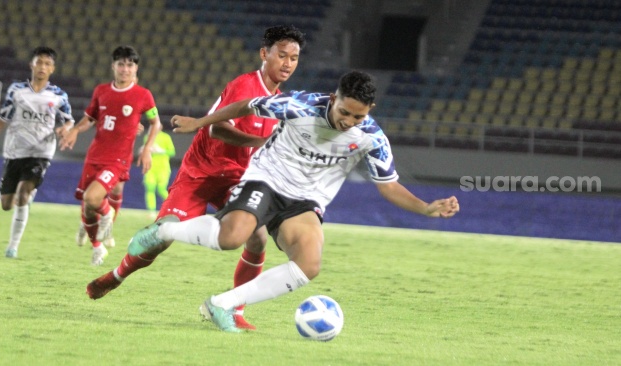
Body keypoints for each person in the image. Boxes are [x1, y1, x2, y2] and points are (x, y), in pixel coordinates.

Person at [129, 70, 460, 333]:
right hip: (267, 179)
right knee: (231, 238)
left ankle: (221, 304)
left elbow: (389, 185)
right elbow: (247, 105)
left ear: (369, 112)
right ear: (334, 99)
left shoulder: (371, 137)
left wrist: (426, 207)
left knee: (308, 265)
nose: (348, 122)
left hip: (304, 201)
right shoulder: (298, 105)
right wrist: (200, 123)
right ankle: (165, 232)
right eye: (344, 112)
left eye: (357, 118)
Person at [86, 25, 306, 330]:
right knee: (163, 238)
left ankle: (234, 310)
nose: (287, 63)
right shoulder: (244, 87)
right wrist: (259, 143)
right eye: (281, 55)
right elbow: (215, 128)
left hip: (236, 180)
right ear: (263, 54)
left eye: (293, 58)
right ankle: (116, 276)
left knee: (256, 238)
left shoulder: (280, 103)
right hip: (201, 173)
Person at [58, 45, 161, 265]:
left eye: (130, 65)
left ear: (136, 69)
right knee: (87, 207)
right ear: (113, 66)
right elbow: (90, 119)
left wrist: (147, 149)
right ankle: (98, 247)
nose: (125, 69)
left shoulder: (143, 95)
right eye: (121, 64)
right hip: (95, 155)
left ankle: (107, 217)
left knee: (93, 198)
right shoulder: (101, 91)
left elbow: (156, 123)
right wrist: (75, 130)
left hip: (118, 160)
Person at [0, 46, 75, 259]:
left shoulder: (58, 95)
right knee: (6, 204)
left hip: (41, 151)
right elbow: (4, 118)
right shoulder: (16, 91)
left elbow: (69, 120)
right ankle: (23, 198)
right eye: (39, 62)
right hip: (15, 151)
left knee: (22, 195)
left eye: (47, 64)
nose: (42, 67)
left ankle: (13, 246)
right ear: (32, 65)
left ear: (52, 69)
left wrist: (65, 130)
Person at [141, 128, 175, 218]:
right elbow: (145, 150)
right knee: (150, 189)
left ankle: (172, 208)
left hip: (163, 168)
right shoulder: (147, 137)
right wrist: (144, 150)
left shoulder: (166, 137)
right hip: (150, 168)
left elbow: (172, 152)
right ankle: (151, 212)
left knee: (161, 189)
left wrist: (161, 151)